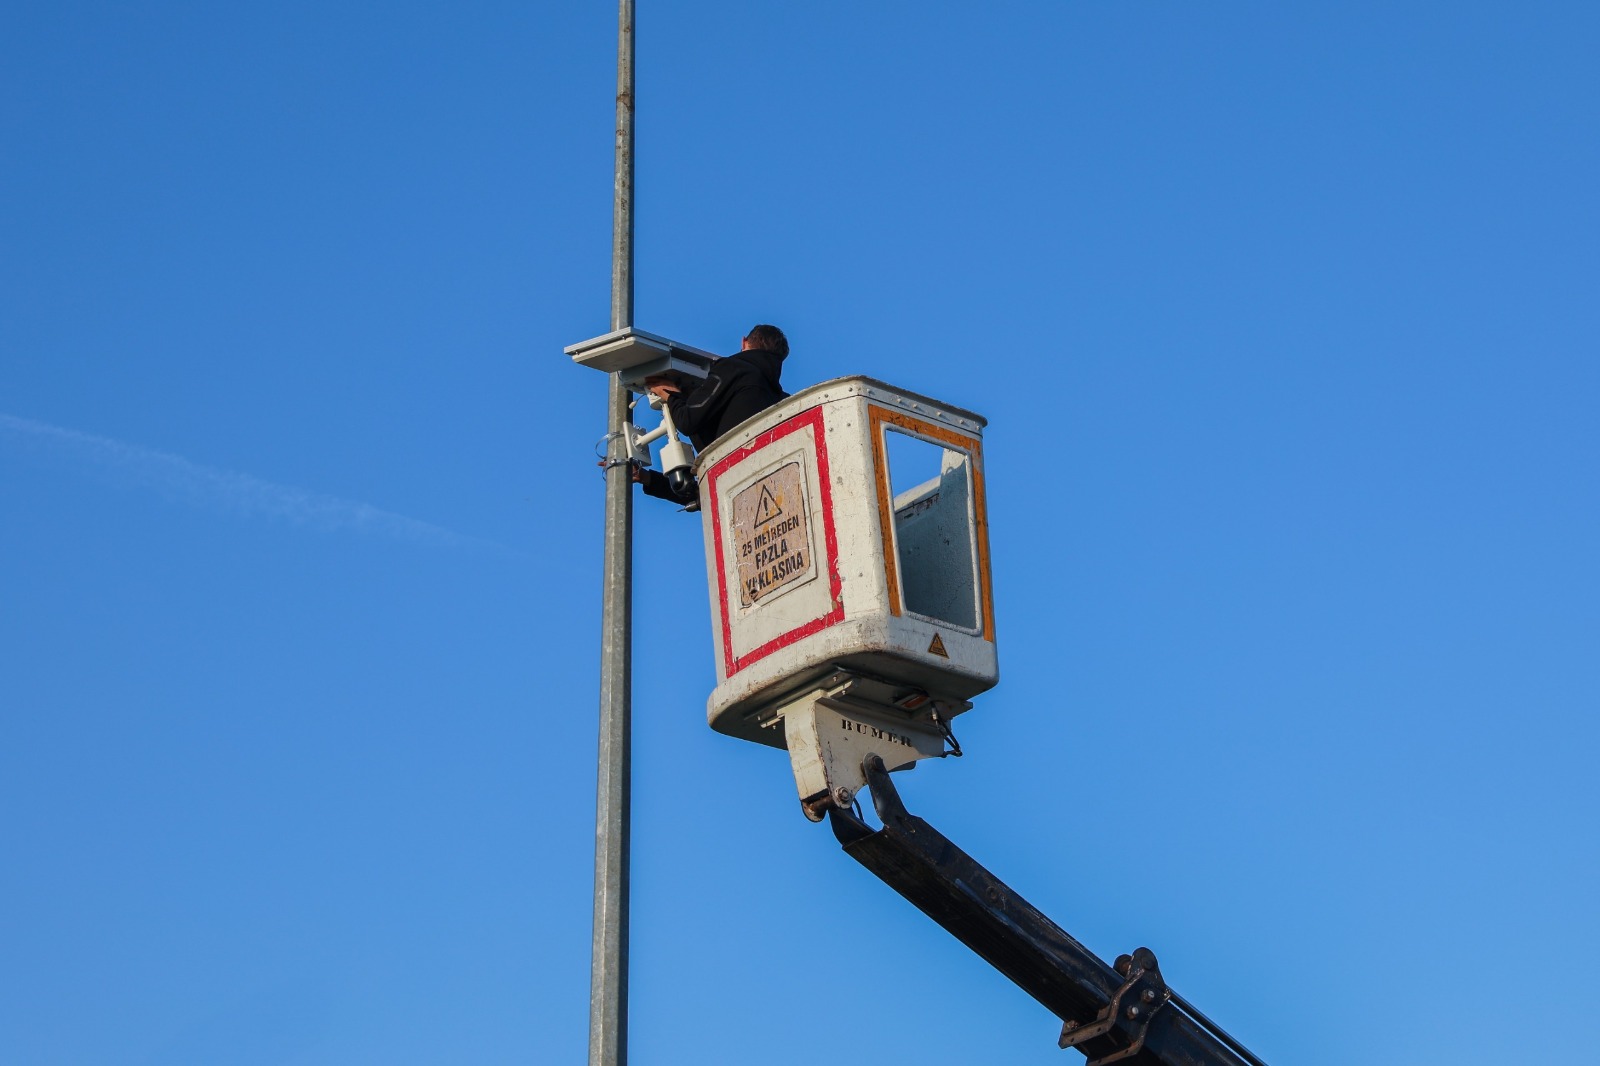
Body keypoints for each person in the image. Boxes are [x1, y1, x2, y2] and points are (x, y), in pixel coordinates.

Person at [635, 324, 789, 507]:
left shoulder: (733, 368)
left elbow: (687, 419)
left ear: (744, 342)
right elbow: (701, 496)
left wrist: (671, 396)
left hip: (735, 491)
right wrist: (646, 478)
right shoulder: (783, 403)